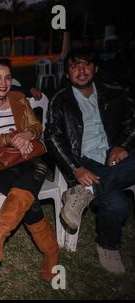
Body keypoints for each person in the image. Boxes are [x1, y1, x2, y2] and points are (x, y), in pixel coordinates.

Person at [0, 59, 59, 283]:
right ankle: (51, 253)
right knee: (31, 198)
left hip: (26, 158)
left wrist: (26, 136)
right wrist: (11, 138)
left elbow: (37, 126)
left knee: (36, 168)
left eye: (7, 77)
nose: (3, 82)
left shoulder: (19, 99)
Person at [45, 47, 135, 274]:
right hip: (84, 160)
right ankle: (108, 245)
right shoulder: (60, 99)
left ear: (95, 68)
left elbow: (132, 123)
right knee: (118, 203)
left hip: (114, 156)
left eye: (86, 64)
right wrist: (75, 168)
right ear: (67, 73)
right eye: (74, 66)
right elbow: (53, 137)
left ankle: (88, 191)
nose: (81, 71)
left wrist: (122, 145)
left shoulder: (114, 92)